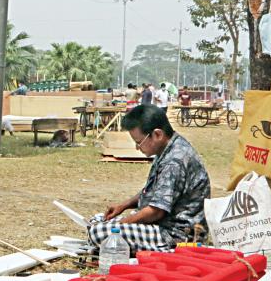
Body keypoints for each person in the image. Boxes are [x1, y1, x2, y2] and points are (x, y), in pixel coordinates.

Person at [87, 105, 210, 253]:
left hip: (175, 236)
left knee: (98, 232)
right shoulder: (168, 148)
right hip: (162, 225)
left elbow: (156, 212)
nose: (137, 147)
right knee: (97, 220)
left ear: (157, 134)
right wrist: (123, 206)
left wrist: (120, 225)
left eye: (139, 142)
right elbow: (155, 190)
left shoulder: (174, 161)